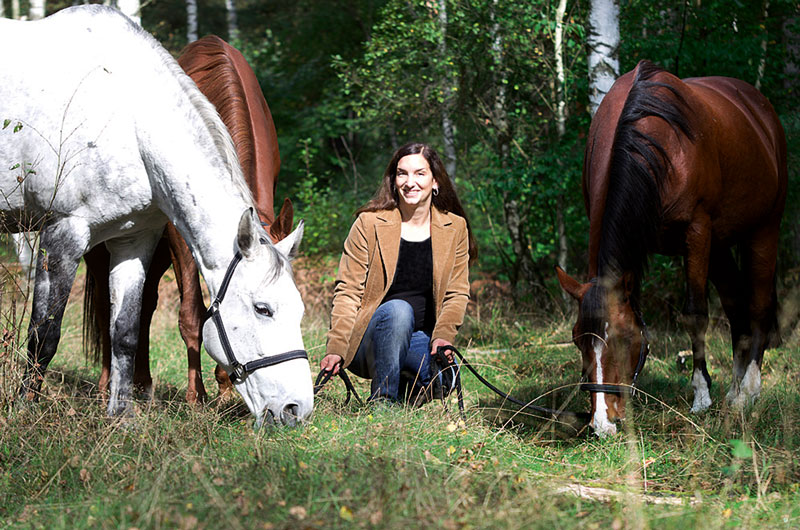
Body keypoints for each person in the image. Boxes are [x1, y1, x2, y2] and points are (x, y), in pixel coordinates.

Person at [319, 142, 477, 404]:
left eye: (420, 173)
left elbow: (457, 292)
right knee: (399, 310)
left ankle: (402, 385)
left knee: (443, 380)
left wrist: (443, 336)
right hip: (369, 340)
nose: (409, 182)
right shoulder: (368, 223)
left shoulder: (455, 227)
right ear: (393, 181)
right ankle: (382, 402)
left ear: (435, 182)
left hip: (418, 337)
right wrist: (336, 348)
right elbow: (347, 291)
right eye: (402, 173)